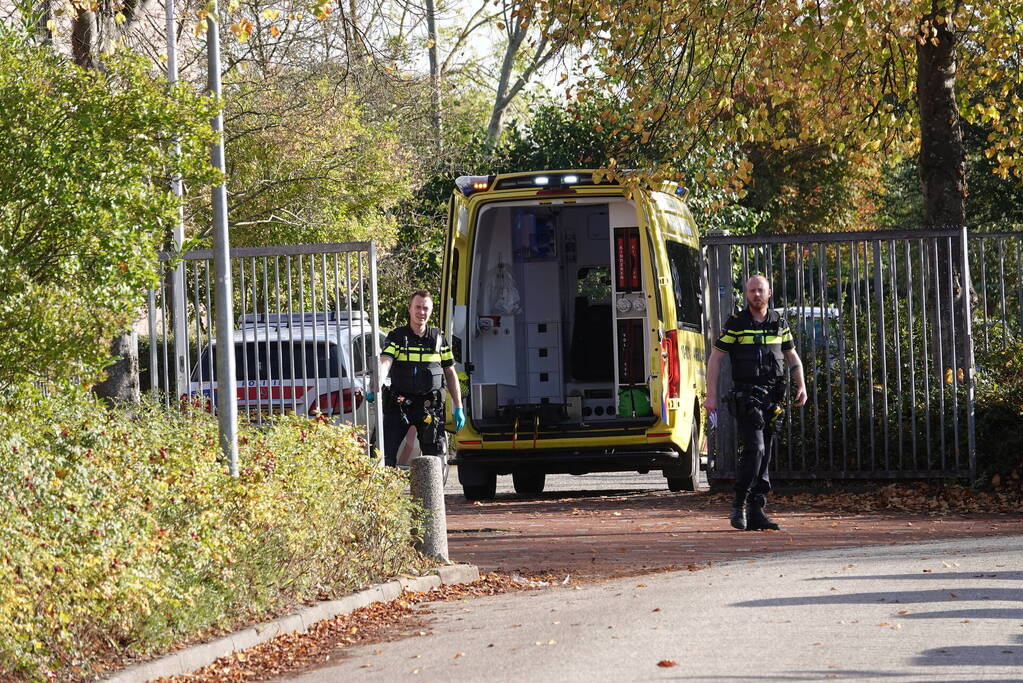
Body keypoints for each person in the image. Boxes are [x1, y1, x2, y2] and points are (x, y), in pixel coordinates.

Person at [704, 275, 807, 531]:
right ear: (746, 293)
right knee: (756, 449)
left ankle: (757, 509)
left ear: (769, 293)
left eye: (760, 290)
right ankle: (738, 504)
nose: (756, 295)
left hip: (773, 398)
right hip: (747, 396)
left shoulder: (778, 322)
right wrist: (711, 396)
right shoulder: (737, 323)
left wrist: (801, 385)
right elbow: (716, 358)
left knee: (766, 452)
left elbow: (791, 355)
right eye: (752, 291)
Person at [372, 290, 465, 467]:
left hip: (429, 407)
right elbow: (385, 362)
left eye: (425, 308)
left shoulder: (438, 339)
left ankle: (432, 494)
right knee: (385, 454)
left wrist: (458, 406)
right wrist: (376, 385)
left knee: (433, 459)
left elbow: (450, 373)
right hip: (400, 405)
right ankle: (385, 493)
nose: (421, 312)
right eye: (418, 307)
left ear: (430, 311)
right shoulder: (397, 337)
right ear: (409, 309)